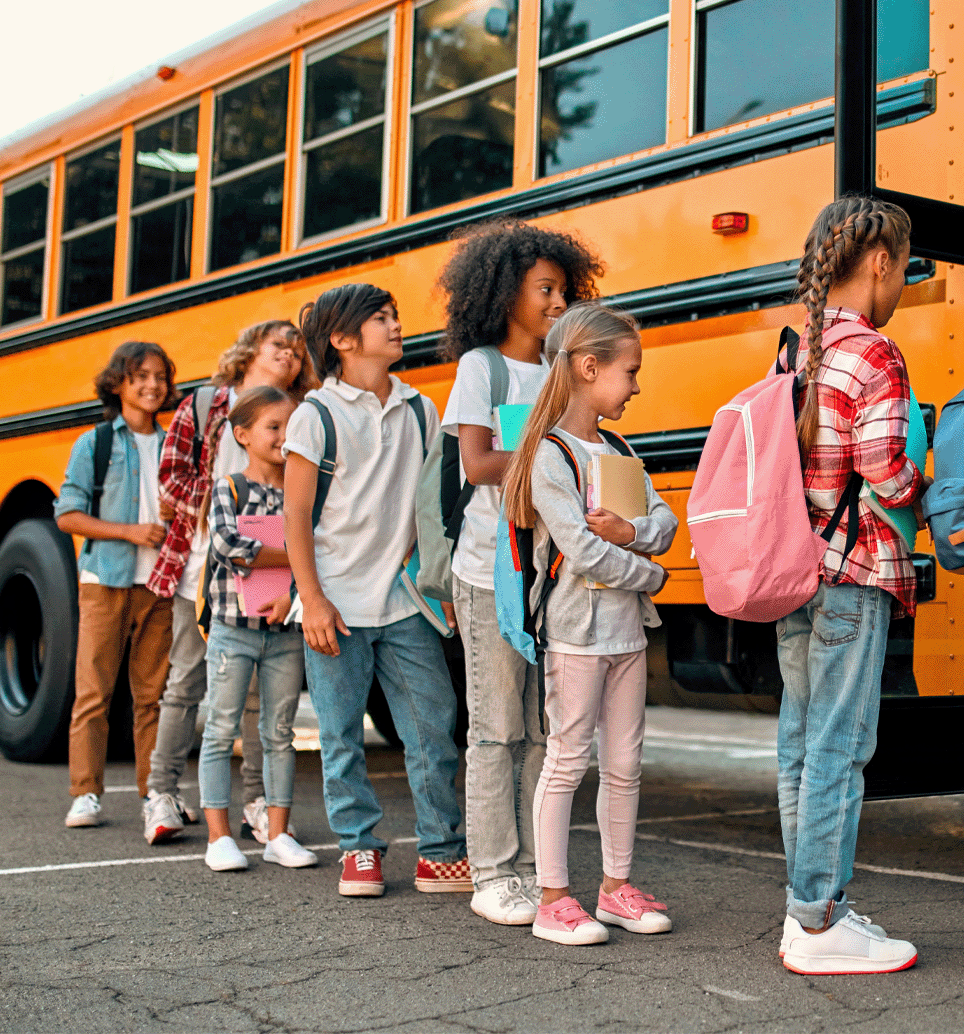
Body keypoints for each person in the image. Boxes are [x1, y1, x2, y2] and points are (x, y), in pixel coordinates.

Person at [435, 220, 605, 924]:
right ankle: (493, 872)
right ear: (506, 294)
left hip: (553, 574)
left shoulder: (567, 372)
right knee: (496, 729)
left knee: (548, 732)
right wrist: (559, 461)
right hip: (491, 571)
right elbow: (477, 465)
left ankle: (541, 868)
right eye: (545, 290)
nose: (559, 302)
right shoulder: (485, 368)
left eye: (565, 290)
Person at [774, 196, 927, 976]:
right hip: (854, 573)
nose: (901, 282)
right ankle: (821, 918)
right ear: (878, 262)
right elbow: (884, 473)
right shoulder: (875, 353)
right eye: (902, 267)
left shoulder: (794, 349)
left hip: (796, 574)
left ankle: (805, 908)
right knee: (841, 746)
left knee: (802, 747)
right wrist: (934, 494)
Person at [501, 303, 678, 947]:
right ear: (587, 367)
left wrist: (632, 532)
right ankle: (553, 896)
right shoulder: (549, 455)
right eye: (628, 372)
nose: (636, 385)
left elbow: (664, 522)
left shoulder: (619, 447)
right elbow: (580, 549)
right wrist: (652, 573)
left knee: (626, 762)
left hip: (626, 631)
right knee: (568, 760)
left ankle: (614, 887)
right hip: (577, 632)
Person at [283, 283, 469, 897]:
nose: (396, 326)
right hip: (333, 605)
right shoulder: (315, 415)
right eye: (381, 319)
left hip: (404, 603)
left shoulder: (421, 409)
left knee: (433, 729)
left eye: (395, 315)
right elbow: (296, 519)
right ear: (342, 339)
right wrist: (312, 600)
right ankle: (358, 848)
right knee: (340, 736)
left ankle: (441, 849)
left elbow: (432, 502)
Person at [142, 319, 318, 846]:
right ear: (249, 351)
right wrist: (226, 503)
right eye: (277, 345)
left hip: (269, 574)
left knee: (258, 701)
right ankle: (161, 793)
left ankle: (256, 803)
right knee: (187, 683)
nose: (289, 354)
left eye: (295, 349)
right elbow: (170, 475)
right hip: (201, 566)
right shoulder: (205, 406)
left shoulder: (296, 417)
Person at [53, 341, 177, 829]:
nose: (151, 385)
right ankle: (85, 792)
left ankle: (154, 793)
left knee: (153, 695)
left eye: (160, 377)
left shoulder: (173, 444)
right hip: (105, 578)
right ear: (118, 385)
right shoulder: (95, 443)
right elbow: (67, 515)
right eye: (139, 376)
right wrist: (129, 531)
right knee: (94, 693)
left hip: (160, 583)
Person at [196, 386, 317, 872]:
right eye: (273, 427)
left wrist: (297, 554)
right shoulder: (229, 488)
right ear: (242, 434)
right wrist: (297, 552)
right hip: (233, 629)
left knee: (279, 732)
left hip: (284, 632)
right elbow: (229, 545)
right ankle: (218, 837)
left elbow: (319, 537)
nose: (284, 437)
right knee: (221, 729)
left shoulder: (299, 488)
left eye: (291, 428)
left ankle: (279, 832)